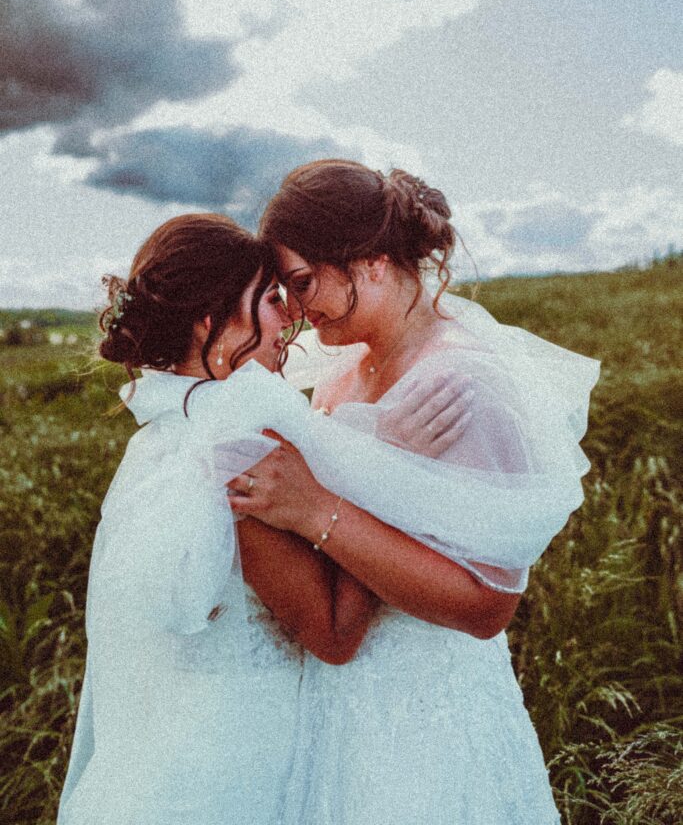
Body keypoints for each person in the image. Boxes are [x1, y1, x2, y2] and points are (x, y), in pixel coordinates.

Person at [58, 212, 470, 825]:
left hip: (151, 763)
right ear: (210, 320)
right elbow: (332, 635)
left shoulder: (160, 438)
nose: (292, 317)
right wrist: (392, 473)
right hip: (232, 773)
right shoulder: (241, 444)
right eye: (271, 299)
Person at [226, 159, 600, 825]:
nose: (297, 310)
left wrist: (317, 510)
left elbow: (487, 606)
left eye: (304, 281)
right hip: (342, 705)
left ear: (368, 262)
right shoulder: (343, 374)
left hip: (429, 718)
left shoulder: (461, 384)